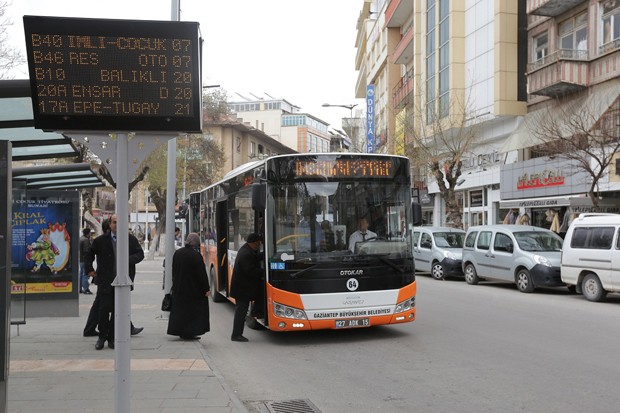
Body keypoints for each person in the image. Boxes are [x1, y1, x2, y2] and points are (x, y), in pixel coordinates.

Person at [86, 214, 144, 350]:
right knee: (104, 310)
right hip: (105, 282)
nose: (117, 225)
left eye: (120, 222)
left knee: (118, 311)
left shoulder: (130, 240)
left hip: (123, 282)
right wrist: (89, 269)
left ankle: (112, 338)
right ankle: (102, 337)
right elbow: (89, 254)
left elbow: (140, 254)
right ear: (110, 224)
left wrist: (127, 259)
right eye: (114, 222)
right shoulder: (100, 241)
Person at [167, 233, 211, 340]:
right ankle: (190, 332)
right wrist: (206, 289)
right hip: (192, 290)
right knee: (192, 312)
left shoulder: (178, 253)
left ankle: (181, 332)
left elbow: (174, 270)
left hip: (179, 287)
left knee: (180, 312)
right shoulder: (196, 255)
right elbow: (201, 274)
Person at [230, 233, 263, 342]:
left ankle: (256, 312)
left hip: (244, 288)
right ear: (253, 243)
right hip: (242, 290)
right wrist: (265, 272)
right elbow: (250, 271)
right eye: (258, 243)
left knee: (259, 293)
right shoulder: (246, 254)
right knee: (241, 313)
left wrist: (265, 254)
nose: (259, 246)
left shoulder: (246, 250)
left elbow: (255, 258)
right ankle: (236, 335)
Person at [79, 228, 92, 294]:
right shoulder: (86, 240)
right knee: (85, 274)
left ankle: (79, 288)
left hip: (80, 259)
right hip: (85, 259)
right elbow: (87, 251)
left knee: (81, 274)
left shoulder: (80, 238)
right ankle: (86, 288)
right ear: (88, 233)